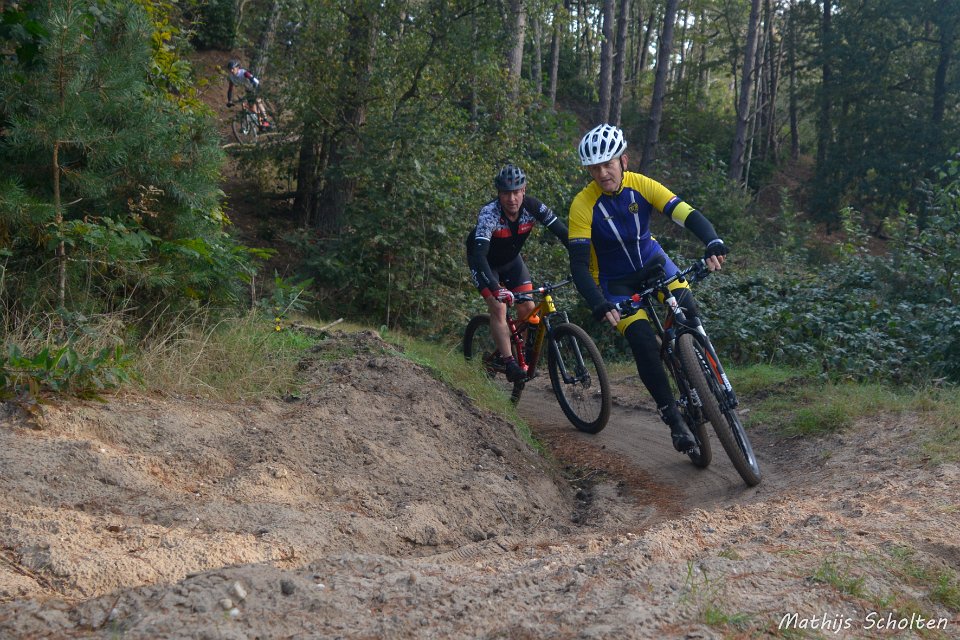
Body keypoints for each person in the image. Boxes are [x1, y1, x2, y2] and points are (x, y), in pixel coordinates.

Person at [567, 124, 728, 453]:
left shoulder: (641, 185)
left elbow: (685, 213)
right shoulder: (582, 205)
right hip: (616, 283)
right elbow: (579, 266)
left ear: (623, 160)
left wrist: (711, 240)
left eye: (607, 164)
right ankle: (672, 415)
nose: (602, 173)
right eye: (594, 168)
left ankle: (712, 375)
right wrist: (599, 303)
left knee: (688, 313)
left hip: (655, 263)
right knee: (642, 341)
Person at [467, 164, 569, 383]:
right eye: (506, 193)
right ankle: (508, 361)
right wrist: (496, 288)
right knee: (499, 306)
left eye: (516, 192)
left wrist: (581, 260)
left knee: (528, 309)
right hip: (484, 263)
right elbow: (480, 255)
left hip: (512, 262)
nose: (511, 198)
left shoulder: (533, 207)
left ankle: (519, 355)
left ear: (524, 190)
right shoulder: (489, 214)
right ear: (499, 194)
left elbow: (563, 233)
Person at [225, 59, 271, 130]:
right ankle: (261, 122)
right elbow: (230, 89)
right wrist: (229, 101)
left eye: (232, 69)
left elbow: (254, 80)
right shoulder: (231, 77)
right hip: (249, 90)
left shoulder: (244, 73)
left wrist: (255, 90)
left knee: (258, 101)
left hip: (256, 86)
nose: (231, 71)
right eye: (230, 69)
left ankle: (266, 120)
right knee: (253, 109)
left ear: (237, 68)